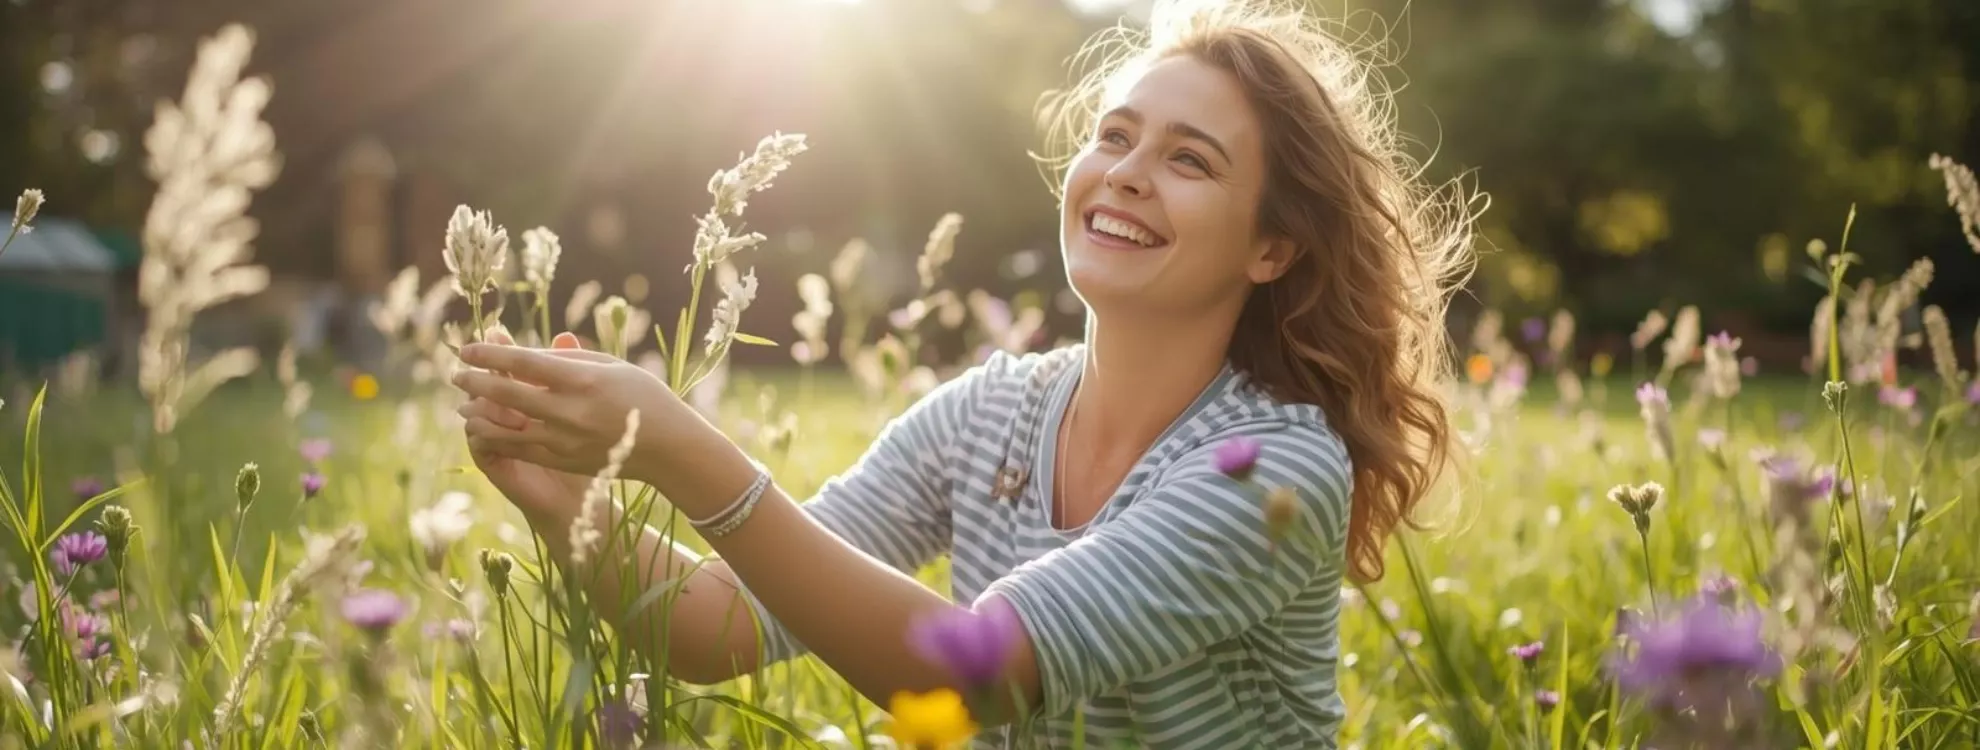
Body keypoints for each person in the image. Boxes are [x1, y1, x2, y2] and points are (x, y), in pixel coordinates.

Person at [449, 0, 1476, 746]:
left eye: (1189, 159)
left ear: (1273, 248)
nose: (1124, 170)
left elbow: (974, 672)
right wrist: (571, 506)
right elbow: (719, 627)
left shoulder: (1272, 467)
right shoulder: (992, 410)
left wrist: (682, 448)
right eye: (1113, 136)